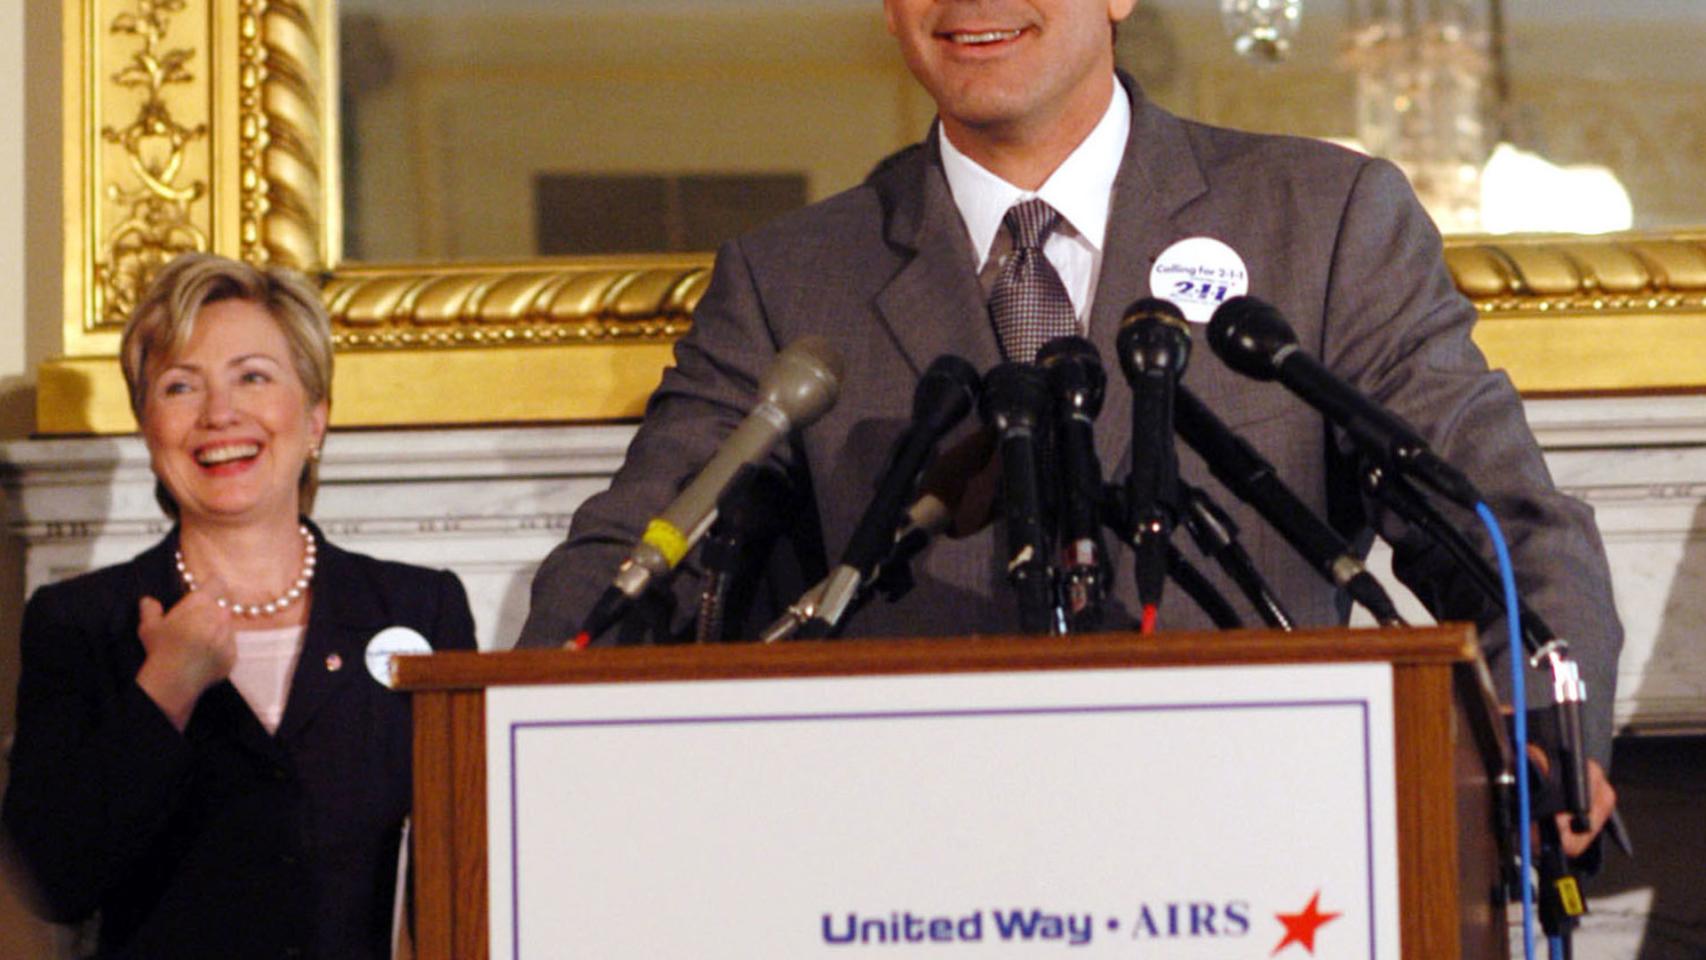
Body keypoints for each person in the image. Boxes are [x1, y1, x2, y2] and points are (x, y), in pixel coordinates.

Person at [518, 0, 1620, 853]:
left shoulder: (1321, 222)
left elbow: (1495, 520)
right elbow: (638, 550)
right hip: (905, 871)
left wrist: (1538, 731)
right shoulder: (790, 278)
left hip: (1264, 849)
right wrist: (507, 764)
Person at [2, 252, 477, 958]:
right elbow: (50, 883)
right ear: (148, 428)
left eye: (253, 377)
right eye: (180, 386)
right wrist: (165, 687)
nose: (219, 414)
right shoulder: (80, 623)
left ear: (315, 418)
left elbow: (469, 861)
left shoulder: (420, 607)